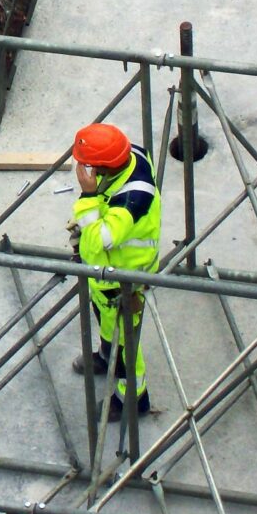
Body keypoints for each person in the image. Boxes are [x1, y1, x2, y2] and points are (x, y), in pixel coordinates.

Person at [68, 123, 162, 422]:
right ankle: (105, 356)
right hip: (105, 280)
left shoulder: (131, 202)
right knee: (108, 327)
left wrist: (87, 197)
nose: (82, 169)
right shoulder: (132, 155)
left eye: (87, 166)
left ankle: (133, 399)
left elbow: (97, 243)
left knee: (127, 348)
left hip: (124, 281)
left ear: (102, 170)